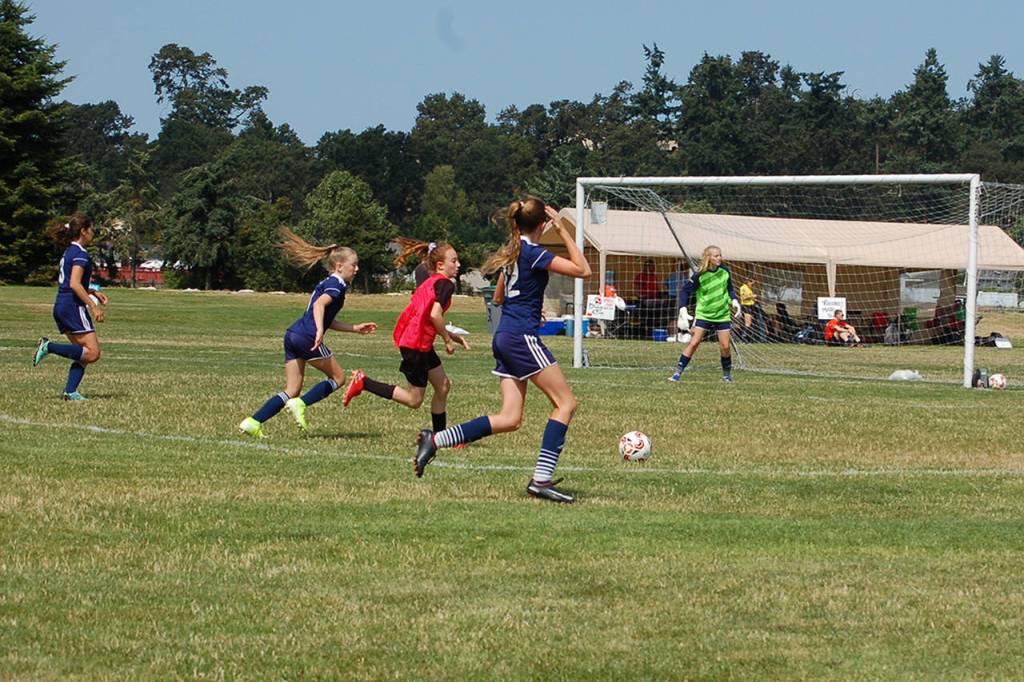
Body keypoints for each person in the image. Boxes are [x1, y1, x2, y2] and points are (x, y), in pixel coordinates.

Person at [411, 197, 591, 503]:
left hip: (505, 335)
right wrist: (562, 231)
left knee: (510, 418)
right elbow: (583, 269)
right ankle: (541, 480)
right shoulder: (533, 252)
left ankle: (436, 438)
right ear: (543, 223)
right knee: (566, 404)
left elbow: (498, 298)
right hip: (521, 338)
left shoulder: (512, 253)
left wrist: (527, 304)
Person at [238, 227, 377, 438]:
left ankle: (254, 422)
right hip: (308, 336)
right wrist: (319, 331)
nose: (356, 269)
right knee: (338, 378)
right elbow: (319, 306)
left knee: (292, 389)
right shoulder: (337, 286)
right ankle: (301, 404)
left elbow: (325, 316)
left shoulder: (328, 282)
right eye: (354, 265)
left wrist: (354, 328)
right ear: (339, 266)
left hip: (293, 334)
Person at [341, 241, 469, 433]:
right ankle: (363, 382)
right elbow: (435, 314)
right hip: (416, 345)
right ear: (440, 265)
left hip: (418, 342)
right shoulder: (445, 285)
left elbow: (426, 317)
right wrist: (447, 340)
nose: (458, 265)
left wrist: (449, 334)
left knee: (443, 386)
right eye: (454, 260)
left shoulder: (430, 282)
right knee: (414, 400)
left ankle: (440, 437)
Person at [32, 213, 109, 400]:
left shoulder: (70, 251)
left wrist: (91, 291)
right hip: (73, 306)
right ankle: (49, 346)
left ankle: (70, 391)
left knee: (82, 353)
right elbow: (74, 283)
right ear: (83, 231)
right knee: (92, 353)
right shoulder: (81, 253)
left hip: (62, 304)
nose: (93, 233)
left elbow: (71, 282)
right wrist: (93, 306)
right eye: (91, 229)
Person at [669, 245, 741, 383]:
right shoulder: (699, 274)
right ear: (709, 258)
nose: (719, 258)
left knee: (725, 346)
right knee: (694, 343)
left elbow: (730, 289)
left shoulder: (725, 272)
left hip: (722, 314)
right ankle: (677, 373)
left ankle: (726, 375)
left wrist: (735, 301)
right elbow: (684, 291)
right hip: (704, 315)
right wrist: (682, 308)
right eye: (716, 255)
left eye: (720, 255)